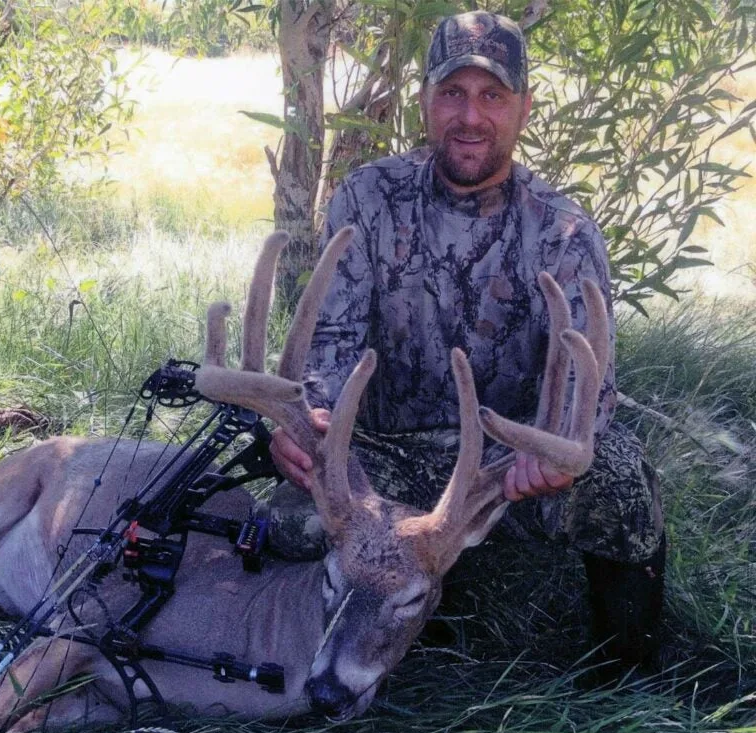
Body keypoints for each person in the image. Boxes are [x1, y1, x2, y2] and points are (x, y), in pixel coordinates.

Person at [265, 11, 666, 676]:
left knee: (621, 480)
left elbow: (586, 397)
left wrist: (555, 457)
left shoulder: (563, 233)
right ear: (424, 99)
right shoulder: (368, 200)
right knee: (289, 526)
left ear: (524, 109)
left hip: (502, 476)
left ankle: (628, 673)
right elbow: (327, 351)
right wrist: (308, 424)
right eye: (453, 94)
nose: (471, 118)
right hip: (382, 460)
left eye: (492, 97)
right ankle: (331, 653)